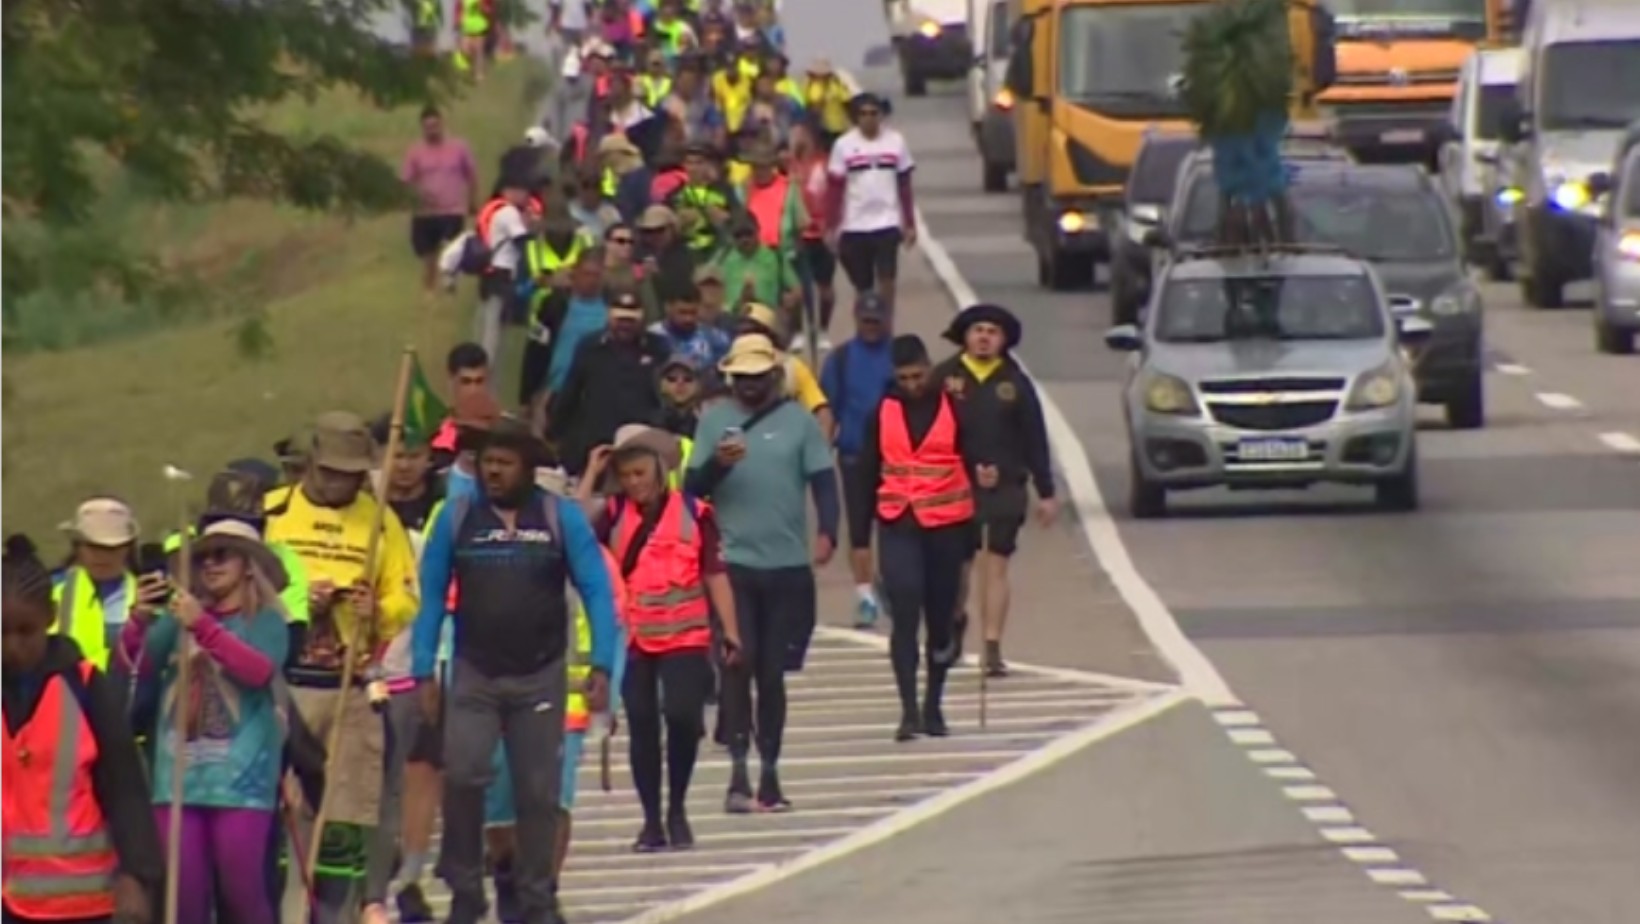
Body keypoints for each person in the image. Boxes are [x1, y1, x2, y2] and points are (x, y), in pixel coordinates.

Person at [411, 418, 620, 924]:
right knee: (463, 774)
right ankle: (465, 889)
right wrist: (423, 670)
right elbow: (432, 596)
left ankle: (537, 896)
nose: (493, 472)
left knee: (538, 791)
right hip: (474, 671)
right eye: (487, 463)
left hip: (539, 675)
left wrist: (602, 663)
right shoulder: (457, 517)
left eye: (504, 464)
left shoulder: (559, 517)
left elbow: (596, 590)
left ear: (528, 468)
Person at [264, 412, 419, 924]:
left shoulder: (381, 521)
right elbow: (244, 587)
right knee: (283, 811)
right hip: (285, 683)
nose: (340, 484)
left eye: (352, 475)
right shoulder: (274, 512)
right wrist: (296, 599)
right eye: (332, 472)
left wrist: (379, 610)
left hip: (351, 684)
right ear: (312, 463)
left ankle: (341, 910)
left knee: (347, 810)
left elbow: (406, 597)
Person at [120, 484, 292, 924]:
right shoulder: (176, 621)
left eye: (222, 556)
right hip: (175, 780)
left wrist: (204, 629)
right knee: (183, 902)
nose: (210, 564)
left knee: (243, 895)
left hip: (242, 782)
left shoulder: (267, 621)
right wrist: (139, 621)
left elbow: (258, 671)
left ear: (249, 565)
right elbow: (134, 669)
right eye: (203, 558)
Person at [685, 334, 838, 812]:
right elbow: (692, 488)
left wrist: (828, 531)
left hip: (787, 565)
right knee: (737, 664)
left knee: (772, 674)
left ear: (774, 375)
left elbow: (823, 480)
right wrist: (718, 465)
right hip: (733, 565)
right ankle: (737, 773)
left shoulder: (799, 422)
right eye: (741, 378)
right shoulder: (714, 422)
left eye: (758, 377)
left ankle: (770, 772)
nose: (750, 385)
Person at [580, 427, 740, 850]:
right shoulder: (612, 513)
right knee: (642, 723)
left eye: (640, 473)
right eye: (625, 475)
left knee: (683, 718)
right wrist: (591, 475)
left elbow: (715, 573)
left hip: (686, 634)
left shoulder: (695, 513)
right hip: (633, 637)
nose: (634, 483)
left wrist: (731, 632)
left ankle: (677, 808)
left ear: (660, 469)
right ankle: (652, 820)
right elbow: (573, 535)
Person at [3, 534, 162, 924]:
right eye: (1, 633)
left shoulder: (86, 685)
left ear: (51, 617)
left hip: (87, 899)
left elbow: (124, 785)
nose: (12, 647)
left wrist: (137, 875)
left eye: (25, 631)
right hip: (12, 897)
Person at [854, 336, 990, 740]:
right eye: (904, 378)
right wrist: (859, 539)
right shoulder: (882, 412)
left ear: (929, 368)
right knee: (905, 607)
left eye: (918, 376)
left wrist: (987, 477)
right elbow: (865, 475)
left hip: (948, 527)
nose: (912, 385)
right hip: (899, 523)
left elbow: (977, 457)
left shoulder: (956, 408)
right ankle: (908, 710)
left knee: (940, 619)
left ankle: (933, 705)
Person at [933, 304, 1058, 678]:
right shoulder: (945, 378)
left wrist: (1046, 491)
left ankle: (991, 645)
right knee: (955, 568)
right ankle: (953, 623)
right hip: (952, 486)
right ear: (965, 337)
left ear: (1003, 340)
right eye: (978, 331)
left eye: (992, 332)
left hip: (1004, 489)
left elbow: (1034, 438)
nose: (984, 338)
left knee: (995, 565)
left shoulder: (1015, 383)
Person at [364, 420, 446, 923]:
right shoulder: (362, 512)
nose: (404, 466)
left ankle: (411, 877)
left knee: (420, 770)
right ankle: (374, 874)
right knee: (371, 780)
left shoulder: (442, 510)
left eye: (414, 455)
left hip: (420, 663)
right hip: (365, 669)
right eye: (395, 454)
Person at [821, 292, 895, 629]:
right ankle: (865, 597)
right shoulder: (840, 360)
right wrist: (821, 450)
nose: (871, 327)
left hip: (895, 457)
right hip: (854, 455)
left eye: (877, 321)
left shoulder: (899, 356)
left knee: (895, 530)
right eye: (866, 321)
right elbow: (827, 410)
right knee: (860, 531)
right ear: (856, 319)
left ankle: (893, 584)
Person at [548, 291, 672, 477]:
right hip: (596, 444)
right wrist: (555, 432)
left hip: (641, 445)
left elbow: (666, 395)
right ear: (609, 316)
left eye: (631, 321)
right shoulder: (590, 347)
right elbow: (571, 392)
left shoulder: (658, 348)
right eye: (620, 320)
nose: (625, 326)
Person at [826, 92, 918, 308]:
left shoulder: (895, 142)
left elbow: (904, 185)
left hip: (887, 222)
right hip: (854, 224)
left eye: (873, 113)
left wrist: (909, 223)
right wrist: (830, 225)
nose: (869, 118)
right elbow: (835, 188)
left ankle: (887, 321)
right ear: (856, 117)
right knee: (863, 286)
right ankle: (866, 321)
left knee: (887, 279)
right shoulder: (843, 145)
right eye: (863, 114)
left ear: (881, 115)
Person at [51, 497, 141, 670]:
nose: (102, 556)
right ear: (78, 547)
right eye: (93, 547)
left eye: (111, 548)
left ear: (127, 548)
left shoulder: (149, 598)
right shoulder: (53, 593)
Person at [521, 248, 611, 416]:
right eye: (587, 274)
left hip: (595, 394)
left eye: (596, 275)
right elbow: (535, 349)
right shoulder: (553, 305)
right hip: (555, 390)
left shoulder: (611, 309)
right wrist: (527, 395)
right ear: (575, 273)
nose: (591, 280)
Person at [403, 106, 479, 292]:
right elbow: (406, 181)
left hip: (451, 211)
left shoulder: (458, 148)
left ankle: (449, 290)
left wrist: (472, 201)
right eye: (428, 127)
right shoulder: (415, 152)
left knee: (450, 255)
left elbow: (471, 176)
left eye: (435, 126)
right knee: (429, 259)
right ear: (422, 128)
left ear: (442, 124)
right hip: (425, 214)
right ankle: (429, 294)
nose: (432, 131)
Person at [473, 155, 540, 364]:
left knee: (494, 326)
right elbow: (522, 240)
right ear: (508, 191)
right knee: (493, 330)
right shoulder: (508, 212)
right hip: (501, 275)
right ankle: (484, 367)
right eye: (522, 190)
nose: (526, 195)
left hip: (496, 274)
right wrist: (533, 228)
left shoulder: (502, 211)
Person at [735, 303, 833, 437]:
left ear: (769, 336)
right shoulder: (726, 368)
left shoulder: (791, 367)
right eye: (741, 333)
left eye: (751, 333)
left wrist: (819, 446)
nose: (746, 339)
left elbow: (822, 413)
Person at [790, 122, 838, 348]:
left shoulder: (826, 165)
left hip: (821, 234)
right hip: (797, 234)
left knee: (825, 288)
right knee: (796, 287)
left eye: (802, 135)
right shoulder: (790, 166)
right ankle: (799, 331)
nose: (797, 140)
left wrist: (832, 225)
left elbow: (834, 197)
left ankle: (823, 330)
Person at [712, 213, 801, 316]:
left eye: (748, 233)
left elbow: (797, 289)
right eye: (738, 236)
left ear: (757, 230)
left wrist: (791, 299)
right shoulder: (723, 258)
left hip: (767, 317)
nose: (744, 239)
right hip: (732, 318)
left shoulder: (775, 256)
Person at [667, 142, 741, 257]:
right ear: (683, 165)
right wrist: (679, 222)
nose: (694, 168)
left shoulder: (724, 191)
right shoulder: (674, 195)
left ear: (707, 165)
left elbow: (739, 219)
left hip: (719, 252)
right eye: (689, 163)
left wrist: (726, 219)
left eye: (699, 163)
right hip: (687, 255)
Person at [430, 342, 493, 463]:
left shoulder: (505, 431)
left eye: (479, 381)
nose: (474, 390)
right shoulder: (434, 430)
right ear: (451, 381)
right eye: (466, 382)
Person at [650, 277, 732, 370]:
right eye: (682, 312)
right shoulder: (652, 337)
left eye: (693, 313)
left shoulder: (716, 339)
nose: (688, 319)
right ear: (668, 307)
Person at [802, 59, 851, 146]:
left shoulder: (836, 84)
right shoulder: (809, 85)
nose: (820, 75)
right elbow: (805, 105)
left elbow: (847, 101)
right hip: (817, 128)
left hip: (837, 127)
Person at [694, 264, 737, 335]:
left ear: (723, 290)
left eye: (715, 285)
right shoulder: (685, 322)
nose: (710, 289)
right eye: (705, 285)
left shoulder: (733, 325)